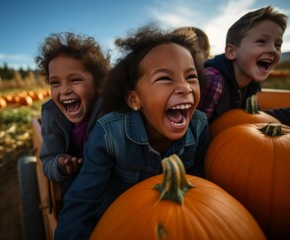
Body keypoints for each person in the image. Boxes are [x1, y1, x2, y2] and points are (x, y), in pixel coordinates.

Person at [54, 24, 210, 240]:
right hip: (118, 216)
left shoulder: (199, 125)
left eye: (191, 77)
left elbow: (200, 182)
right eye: (164, 78)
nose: (185, 87)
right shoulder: (110, 134)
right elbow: (83, 200)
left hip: (172, 219)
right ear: (134, 99)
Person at [197, 5, 290, 126]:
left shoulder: (250, 84)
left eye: (278, 45)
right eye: (261, 41)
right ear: (231, 52)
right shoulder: (213, 80)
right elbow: (196, 133)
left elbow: (256, 120)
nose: (273, 50)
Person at [35, 32, 110, 196]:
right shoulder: (51, 114)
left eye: (75, 80)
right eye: (55, 83)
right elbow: (48, 160)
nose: (64, 90)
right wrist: (60, 164)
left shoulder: (107, 111)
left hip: (107, 180)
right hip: (76, 183)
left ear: (98, 84)